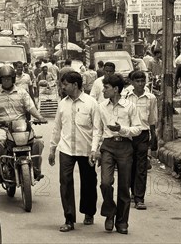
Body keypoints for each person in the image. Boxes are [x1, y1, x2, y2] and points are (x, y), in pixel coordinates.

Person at [90, 74, 143, 234]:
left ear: (116, 89)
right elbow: (97, 130)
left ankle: (122, 222)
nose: (103, 90)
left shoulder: (130, 106)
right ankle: (110, 212)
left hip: (125, 146)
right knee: (105, 183)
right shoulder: (101, 106)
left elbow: (138, 129)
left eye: (106, 88)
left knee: (124, 187)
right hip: (107, 146)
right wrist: (94, 149)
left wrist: (121, 129)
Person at [49, 71, 98, 232]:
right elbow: (57, 127)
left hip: (86, 149)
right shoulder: (62, 104)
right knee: (65, 182)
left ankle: (89, 212)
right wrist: (52, 148)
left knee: (89, 182)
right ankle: (69, 218)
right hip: (66, 149)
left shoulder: (91, 103)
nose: (63, 88)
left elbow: (97, 129)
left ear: (75, 85)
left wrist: (94, 149)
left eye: (65, 85)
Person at [0, 64, 47, 183]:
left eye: (8, 78)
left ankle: (35, 169)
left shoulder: (22, 92)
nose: (6, 81)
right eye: (4, 79)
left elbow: (31, 107)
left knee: (38, 142)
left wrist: (40, 117)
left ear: (13, 79)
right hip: (3, 128)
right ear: (0, 80)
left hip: (21, 127)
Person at [125, 71, 157, 210]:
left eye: (142, 81)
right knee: (129, 166)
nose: (140, 84)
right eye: (137, 81)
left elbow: (152, 119)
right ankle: (132, 192)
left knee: (141, 167)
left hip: (143, 134)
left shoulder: (151, 98)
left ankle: (139, 198)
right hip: (129, 134)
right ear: (132, 82)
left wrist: (154, 135)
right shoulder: (125, 97)